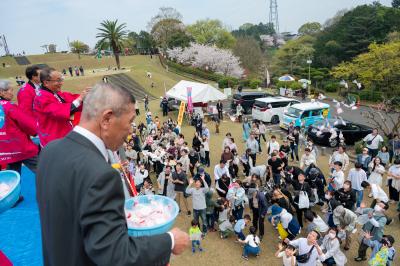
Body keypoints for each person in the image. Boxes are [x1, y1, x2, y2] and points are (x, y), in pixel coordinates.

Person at [36, 83, 189, 266]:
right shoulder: (102, 175)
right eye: (130, 121)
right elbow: (115, 254)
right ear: (107, 119)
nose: (131, 129)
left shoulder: (49, 151)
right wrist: (169, 241)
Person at [34, 68, 87, 147]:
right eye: (58, 80)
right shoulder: (42, 98)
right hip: (54, 141)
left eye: (61, 79)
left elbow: (71, 99)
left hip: (64, 136)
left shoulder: (55, 93)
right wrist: (80, 99)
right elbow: (59, 112)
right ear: (46, 83)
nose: (61, 83)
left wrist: (87, 97)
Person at [0, 80, 38, 176]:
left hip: (5, 150)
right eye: (10, 90)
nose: (12, 94)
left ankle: (13, 190)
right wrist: (36, 131)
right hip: (19, 146)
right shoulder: (9, 106)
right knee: (43, 171)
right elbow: (26, 123)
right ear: (2, 92)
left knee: (12, 177)